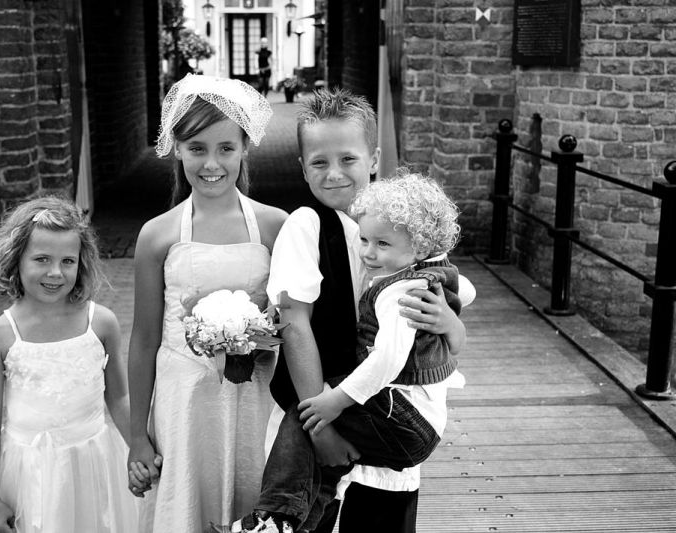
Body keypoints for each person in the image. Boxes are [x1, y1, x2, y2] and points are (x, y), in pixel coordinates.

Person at [232, 88, 474, 533]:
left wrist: (449, 320)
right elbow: (295, 325)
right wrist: (320, 428)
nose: (334, 173)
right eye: (319, 162)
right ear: (302, 168)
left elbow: (453, 312)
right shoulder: (306, 226)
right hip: (324, 408)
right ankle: (275, 519)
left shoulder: (405, 224)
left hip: (390, 412)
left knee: (378, 517)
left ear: (374, 159)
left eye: (348, 159)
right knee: (317, 514)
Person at [126, 74, 289, 532]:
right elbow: (143, 340)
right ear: (177, 149)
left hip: (254, 396)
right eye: (197, 148)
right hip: (184, 400)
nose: (211, 163)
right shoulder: (157, 235)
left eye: (225, 148)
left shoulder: (275, 226)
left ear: (244, 149)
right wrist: (137, 436)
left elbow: (295, 323)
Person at [0, 196, 139, 533]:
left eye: (68, 261)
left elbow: (119, 397)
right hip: (27, 472)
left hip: (93, 463)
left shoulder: (101, 323)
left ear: (81, 263)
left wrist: (139, 448)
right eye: (41, 259)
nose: (55, 272)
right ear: (16, 260)